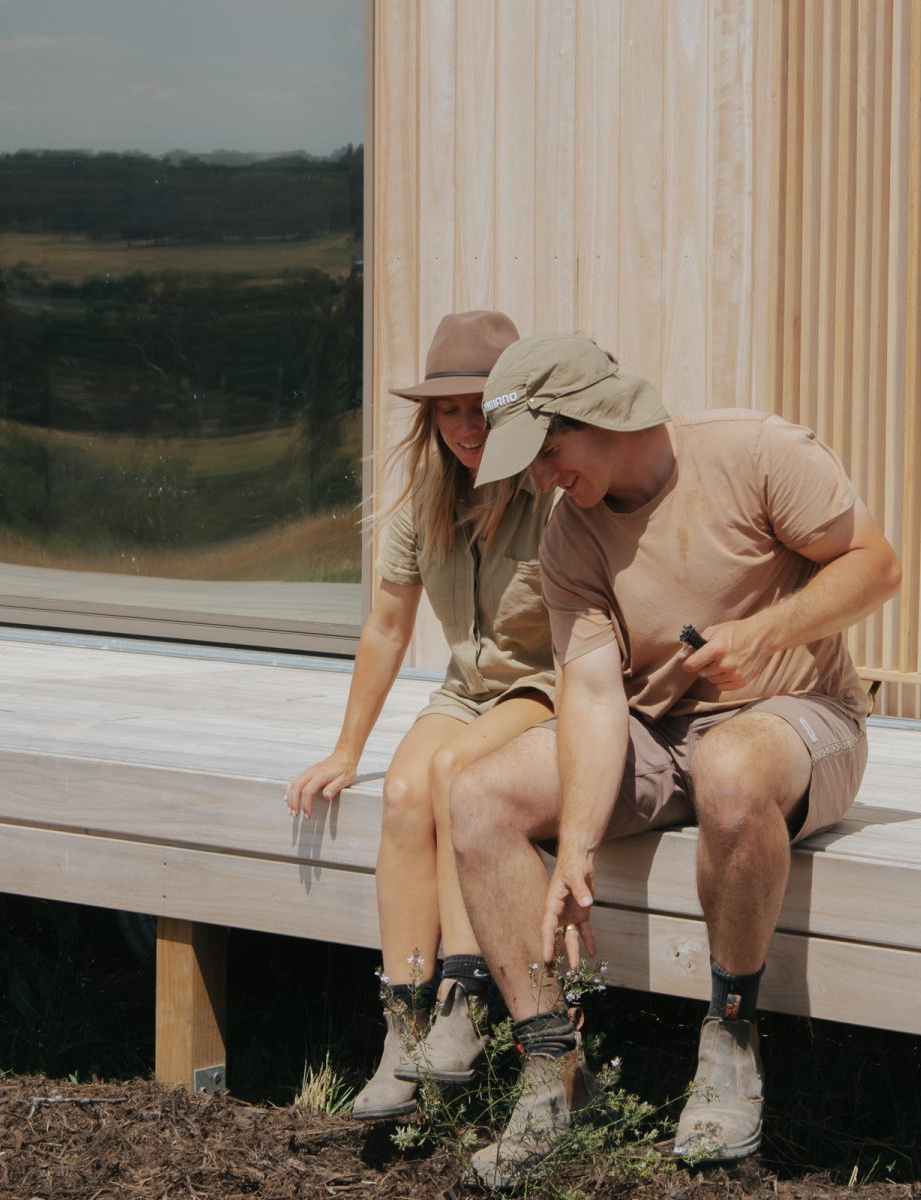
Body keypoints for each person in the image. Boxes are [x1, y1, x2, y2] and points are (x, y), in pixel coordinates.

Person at [449, 332, 901, 1186]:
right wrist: (575, 848)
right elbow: (589, 695)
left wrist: (767, 633)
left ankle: (730, 1040)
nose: (542, 478)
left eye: (547, 452)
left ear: (598, 417)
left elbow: (877, 566)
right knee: (479, 797)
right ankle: (554, 1078)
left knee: (730, 766)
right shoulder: (570, 535)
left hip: (802, 715)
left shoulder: (756, 451)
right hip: (660, 733)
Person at [285, 311, 556, 1120]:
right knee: (404, 794)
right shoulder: (422, 503)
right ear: (430, 419)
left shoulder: (551, 493)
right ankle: (402, 1031)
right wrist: (345, 749)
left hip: (545, 691)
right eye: (450, 411)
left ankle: (463, 1002)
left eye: (482, 407)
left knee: (450, 774)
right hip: (465, 690)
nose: (468, 426)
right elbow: (389, 626)